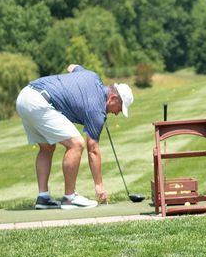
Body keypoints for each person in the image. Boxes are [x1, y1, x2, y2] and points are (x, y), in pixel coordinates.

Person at [15, 65, 133, 208]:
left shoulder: (93, 76)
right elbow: (93, 150)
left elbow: (72, 67)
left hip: (24, 97)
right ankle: (69, 197)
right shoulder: (96, 110)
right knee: (76, 144)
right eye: (119, 108)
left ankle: (43, 197)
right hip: (39, 103)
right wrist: (99, 185)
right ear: (112, 98)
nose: (117, 113)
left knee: (47, 147)